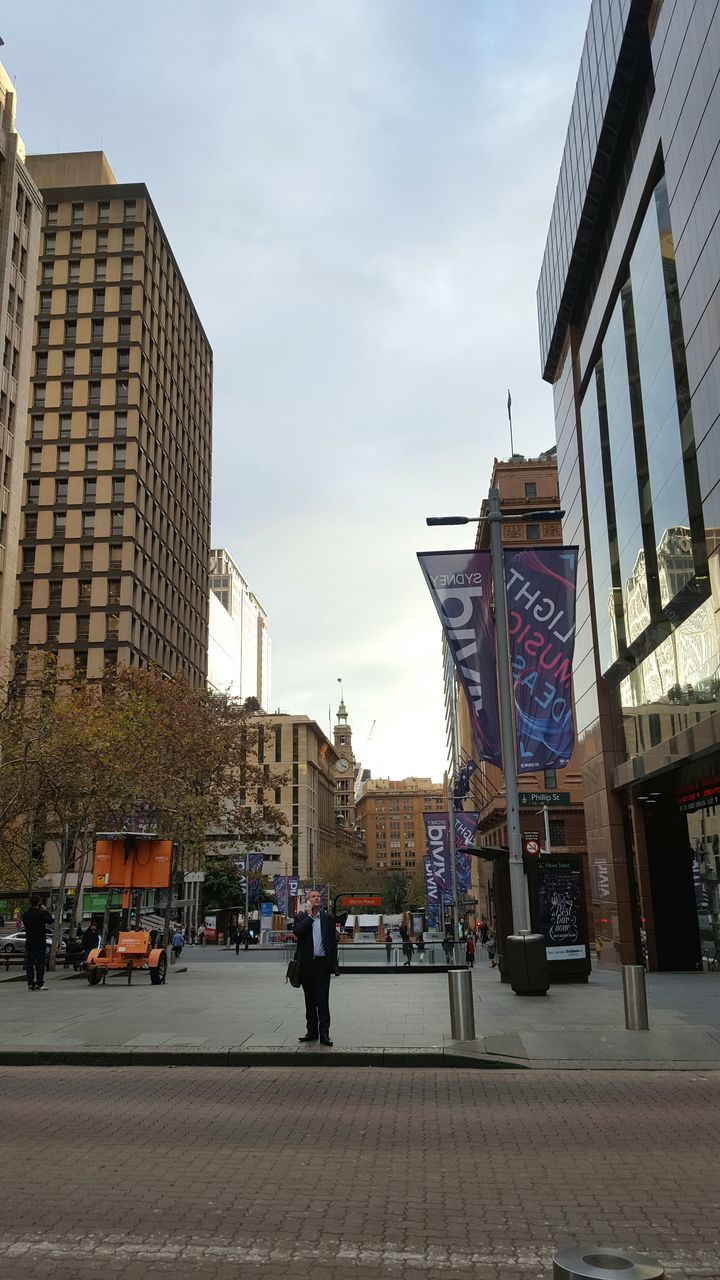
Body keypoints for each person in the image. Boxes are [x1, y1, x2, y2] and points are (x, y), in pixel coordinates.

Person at [292, 889, 339, 1046]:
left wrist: (333, 962)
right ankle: (311, 1032)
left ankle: (325, 1034)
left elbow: (333, 941)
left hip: (322, 965)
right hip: (306, 965)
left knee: (322, 999)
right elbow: (297, 932)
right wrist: (310, 917)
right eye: (313, 896)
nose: (317, 898)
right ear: (308, 901)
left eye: (319, 896)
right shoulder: (301, 917)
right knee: (309, 999)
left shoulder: (327, 919)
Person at [22, 894, 53, 992]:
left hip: (29, 942)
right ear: (39, 903)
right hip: (40, 942)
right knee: (40, 963)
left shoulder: (25, 915)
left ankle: (30, 983)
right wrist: (45, 910)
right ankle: (39, 983)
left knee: (30, 964)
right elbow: (50, 920)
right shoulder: (41, 914)